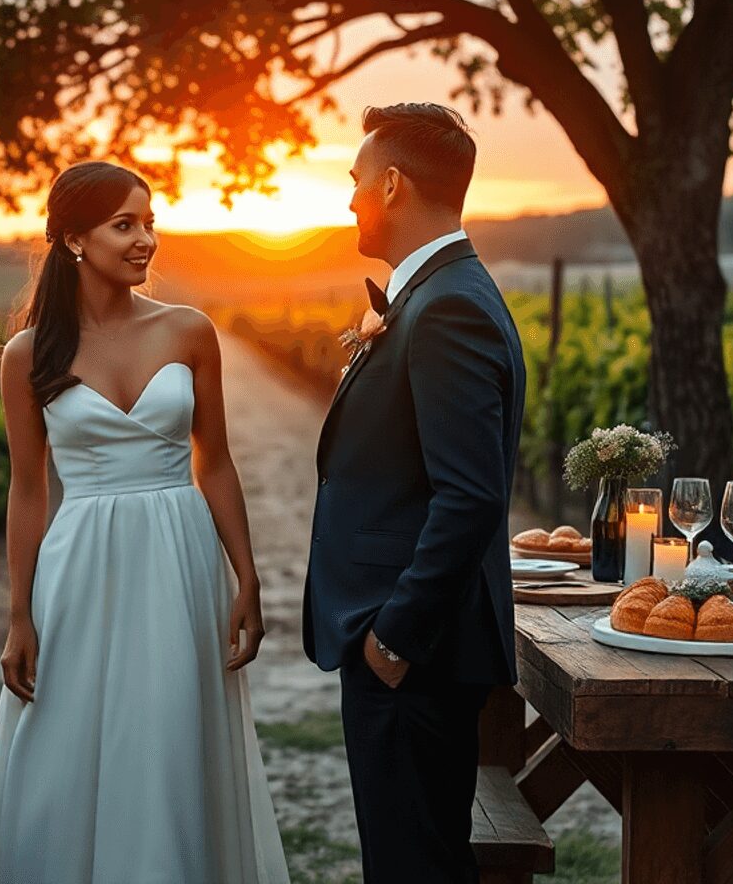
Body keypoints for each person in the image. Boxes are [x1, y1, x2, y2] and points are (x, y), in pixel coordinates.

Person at [0, 160, 290, 884]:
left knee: (171, 734)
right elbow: (28, 490)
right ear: (74, 239)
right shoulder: (27, 355)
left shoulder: (190, 332)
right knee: (63, 735)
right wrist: (19, 614)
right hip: (80, 565)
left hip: (180, 557)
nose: (146, 241)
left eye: (151, 223)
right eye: (124, 224)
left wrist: (247, 576)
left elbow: (216, 463)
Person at [303, 103, 526, 882]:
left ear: (393, 184)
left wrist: (393, 639)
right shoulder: (439, 292)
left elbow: (468, 497)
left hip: (413, 653)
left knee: (413, 868)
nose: (352, 199)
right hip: (410, 649)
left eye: (358, 181)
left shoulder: (449, 306)